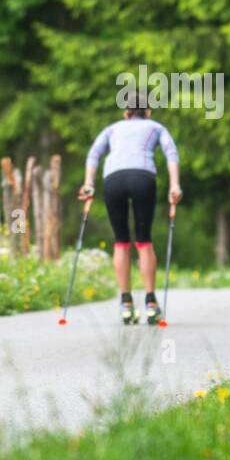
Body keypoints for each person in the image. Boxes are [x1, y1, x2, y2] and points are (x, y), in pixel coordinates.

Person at [80, 94, 182, 325]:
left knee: (121, 241)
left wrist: (88, 184)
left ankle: (126, 303)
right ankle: (151, 303)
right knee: (144, 241)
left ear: (125, 114)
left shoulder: (113, 128)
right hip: (142, 177)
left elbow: (94, 153)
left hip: (113, 179)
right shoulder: (156, 127)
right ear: (148, 112)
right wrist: (175, 185)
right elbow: (171, 154)